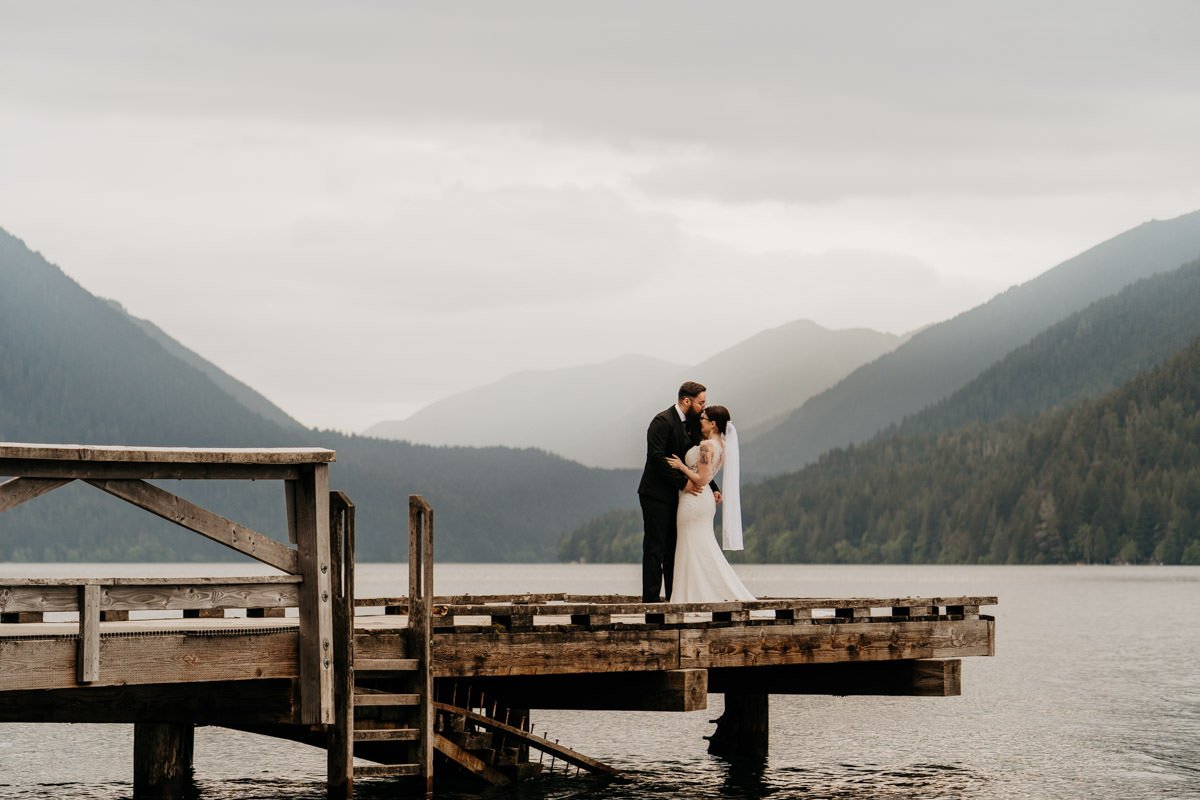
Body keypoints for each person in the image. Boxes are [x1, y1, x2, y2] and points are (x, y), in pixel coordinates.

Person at [637, 381, 717, 602]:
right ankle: (651, 604)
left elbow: (695, 463)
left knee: (674, 549)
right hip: (656, 494)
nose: (703, 407)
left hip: (679, 497)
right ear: (686, 400)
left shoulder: (691, 425)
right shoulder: (661, 421)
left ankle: (674, 600)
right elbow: (657, 458)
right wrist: (683, 484)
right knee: (656, 548)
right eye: (701, 402)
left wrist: (712, 486)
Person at [665, 405, 754, 603]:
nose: (700, 421)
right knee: (699, 545)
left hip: (694, 499)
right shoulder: (722, 446)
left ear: (713, 424)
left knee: (691, 545)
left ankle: (690, 597)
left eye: (703, 418)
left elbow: (701, 478)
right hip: (703, 501)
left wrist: (681, 466)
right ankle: (699, 595)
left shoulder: (706, 446)